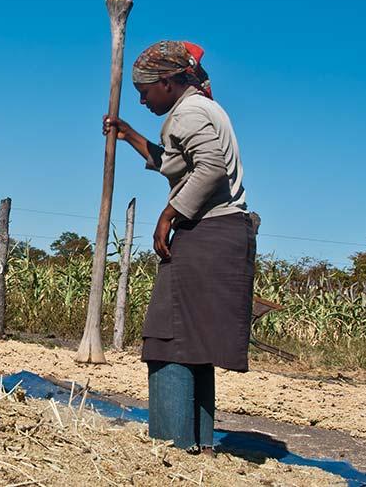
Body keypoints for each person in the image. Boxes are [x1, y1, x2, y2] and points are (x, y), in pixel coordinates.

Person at [103, 40, 254, 454]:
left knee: (167, 338)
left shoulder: (187, 113)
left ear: (167, 83)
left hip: (207, 232)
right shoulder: (203, 110)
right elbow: (174, 162)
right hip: (225, 231)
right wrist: (129, 133)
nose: (141, 98)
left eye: (145, 91)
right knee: (195, 341)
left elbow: (210, 169)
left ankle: (171, 445)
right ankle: (200, 447)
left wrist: (168, 214)